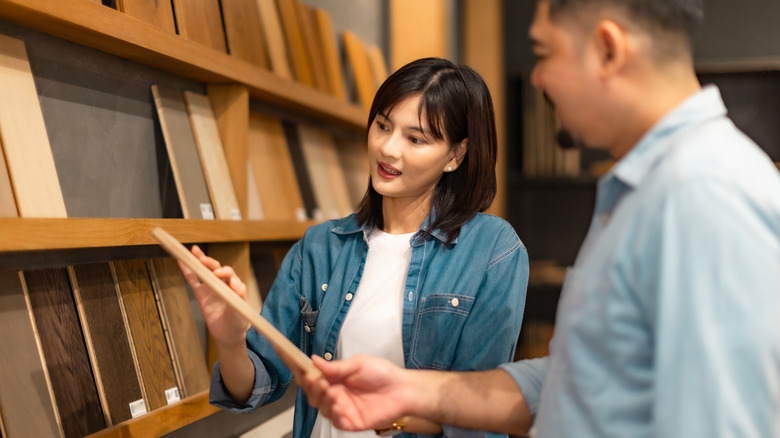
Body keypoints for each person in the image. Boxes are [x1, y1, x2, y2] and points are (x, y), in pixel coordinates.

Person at [297, 0, 780, 437]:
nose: (537, 78)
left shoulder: (702, 194)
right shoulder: (650, 188)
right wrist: (412, 392)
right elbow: (585, 378)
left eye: (545, 53)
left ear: (608, 49)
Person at [180, 57, 529, 438]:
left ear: (455, 156)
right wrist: (230, 340)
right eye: (382, 126)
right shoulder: (320, 247)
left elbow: (481, 416)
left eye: (415, 139)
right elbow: (255, 386)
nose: (388, 149)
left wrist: (385, 414)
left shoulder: (492, 251)